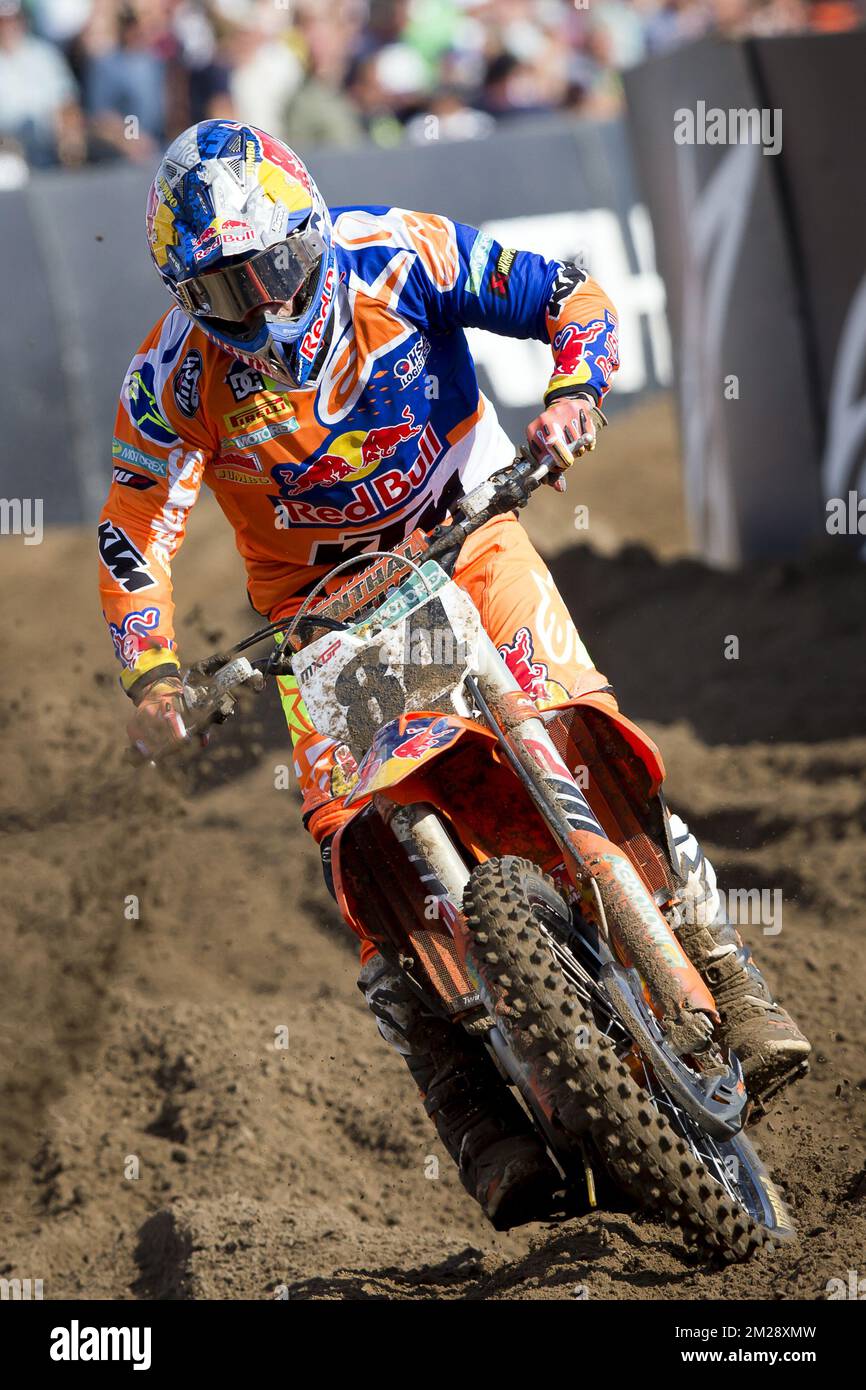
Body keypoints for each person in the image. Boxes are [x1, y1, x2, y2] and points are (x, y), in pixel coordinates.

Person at [99, 119, 810, 1229]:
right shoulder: (174, 375)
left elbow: (563, 293)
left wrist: (573, 390)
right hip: (319, 616)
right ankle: (474, 1115)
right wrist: (149, 673)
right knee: (366, 855)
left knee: (578, 731)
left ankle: (720, 962)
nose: (260, 305)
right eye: (223, 291)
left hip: (465, 533)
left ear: (309, 234)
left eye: (270, 271)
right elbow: (133, 524)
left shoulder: (403, 252)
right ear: (188, 296)